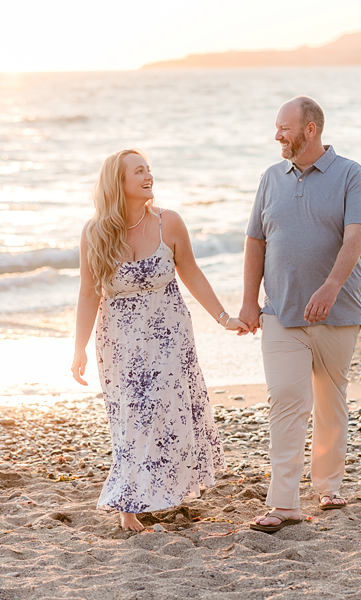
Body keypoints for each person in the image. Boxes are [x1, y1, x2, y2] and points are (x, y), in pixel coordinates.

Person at [72, 149, 238, 532]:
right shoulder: (95, 232)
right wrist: (78, 347)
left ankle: (164, 490)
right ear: (119, 183)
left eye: (149, 169)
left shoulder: (169, 223)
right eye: (139, 172)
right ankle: (129, 506)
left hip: (168, 337)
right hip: (119, 344)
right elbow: (87, 293)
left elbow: (192, 274)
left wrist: (224, 317)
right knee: (130, 419)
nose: (149, 176)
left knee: (165, 412)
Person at [238, 96, 361, 533]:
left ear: (310, 129)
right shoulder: (270, 179)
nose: (277, 135)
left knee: (330, 401)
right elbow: (255, 242)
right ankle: (283, 502)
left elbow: (355, 235)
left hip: (338, 312)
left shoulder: (351, 175)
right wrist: (248, 300)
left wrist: (331, 287)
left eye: (284, 127)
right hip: (280, 310)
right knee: (286, 400)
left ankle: (328, 484)